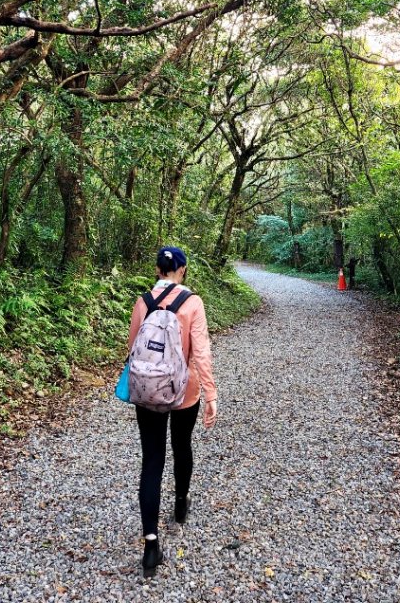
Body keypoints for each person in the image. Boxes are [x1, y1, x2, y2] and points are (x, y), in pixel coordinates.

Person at [128, 245, 218, 577]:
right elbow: (201, 353)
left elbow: (133, 349)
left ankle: (151, 546)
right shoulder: (192, 303)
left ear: (157, 270)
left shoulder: (143, 301)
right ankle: (180, 504)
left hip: (148, 391)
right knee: (182, 446)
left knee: (151, 460)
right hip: (185, 391)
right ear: (182, 270)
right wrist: (211, 393)